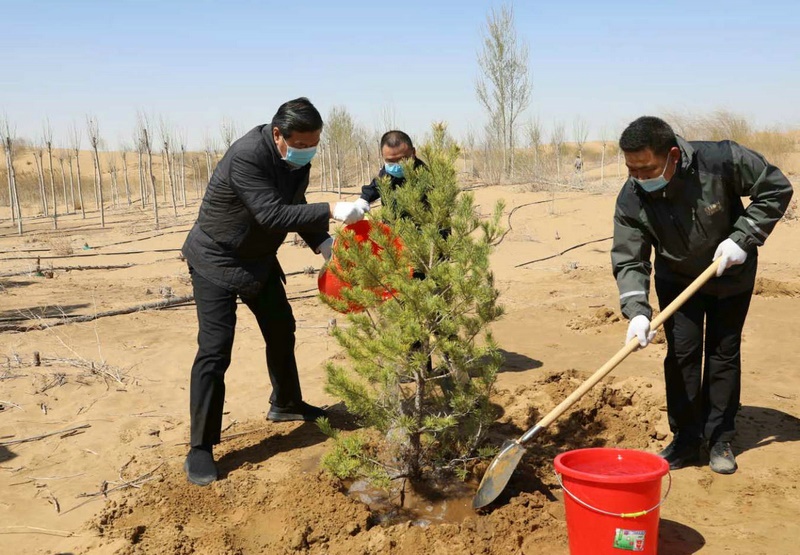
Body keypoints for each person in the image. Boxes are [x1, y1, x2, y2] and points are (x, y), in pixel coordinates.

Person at [181, 97, 366, 486]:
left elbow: (293, 202)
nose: (308, 151)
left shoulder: (294, 160)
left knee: (282, 327)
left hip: (258, 259)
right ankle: (201, 445)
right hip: (216, 258)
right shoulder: (247, 155)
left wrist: (323, 243)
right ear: (278, 134)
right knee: (215, 349)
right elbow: (270, 213)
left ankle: (286, 402)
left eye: (314, 144)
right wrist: (332, 209)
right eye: (301, 144)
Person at [611, 116, 793, 474]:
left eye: (648, 169)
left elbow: (775, 188)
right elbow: (630, 257)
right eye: (632, 170)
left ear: (673, 155)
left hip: (730, 274)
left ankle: (720, 437)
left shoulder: (721, 160)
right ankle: (685, 439)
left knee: (723, 352)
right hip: (677, 280)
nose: (640, 178)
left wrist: (743, 237)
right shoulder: (632, 197)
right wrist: (637, 311)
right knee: (682, 355)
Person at [354, 130, 427, 214]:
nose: (397, 166)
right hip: (390, 221)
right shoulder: (387, 172)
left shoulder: (427, 175)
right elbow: (376, 186)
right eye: (390, 161)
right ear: (383, 156)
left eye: (402, 160)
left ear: (413, 152)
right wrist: (363, 200)